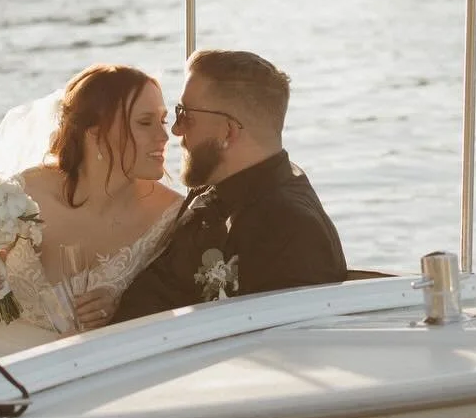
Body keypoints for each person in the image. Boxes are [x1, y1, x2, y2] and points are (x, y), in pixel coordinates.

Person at [0, 65, 181, 364]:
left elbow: (179, 305)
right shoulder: (17, 195)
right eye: (145, 123)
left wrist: (121, 312)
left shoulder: (170, 214)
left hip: (85, 365)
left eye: (163, 120)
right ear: (95, 131)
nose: (164, 135)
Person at [111, 49, 346, 323]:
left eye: (185, 115)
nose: (175, 130)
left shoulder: (291, 229)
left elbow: (280, 350)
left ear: (228, 131)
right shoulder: (213, 195)